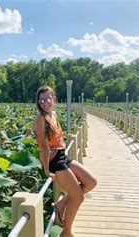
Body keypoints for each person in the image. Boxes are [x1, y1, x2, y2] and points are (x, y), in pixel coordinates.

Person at [34, 86, 97, 237]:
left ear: (54, 99)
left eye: (48, 99)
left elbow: (58, 139)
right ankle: (66, 232)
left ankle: (61, 204)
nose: (45, 103)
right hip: (54, 160)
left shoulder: (53, 114)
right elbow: (43, 147)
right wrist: (47, 170)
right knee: (78, 197)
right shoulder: (40, 118)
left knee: (91, 182)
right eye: (41, 100)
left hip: (62, 155)